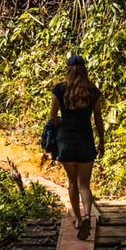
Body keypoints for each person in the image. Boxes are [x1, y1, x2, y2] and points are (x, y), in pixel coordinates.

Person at [49, 54, 105, 240]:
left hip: (66, 141)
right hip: (85, 140)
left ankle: (79, 220)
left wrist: (57, 131)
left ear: (68, 69)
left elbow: (53, 117)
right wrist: (102, 141)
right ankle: (88, 215)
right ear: (84, 70)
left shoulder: (60, 90)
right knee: (84, 185)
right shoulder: (92, 91)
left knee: (72, 183)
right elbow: (98, 119)